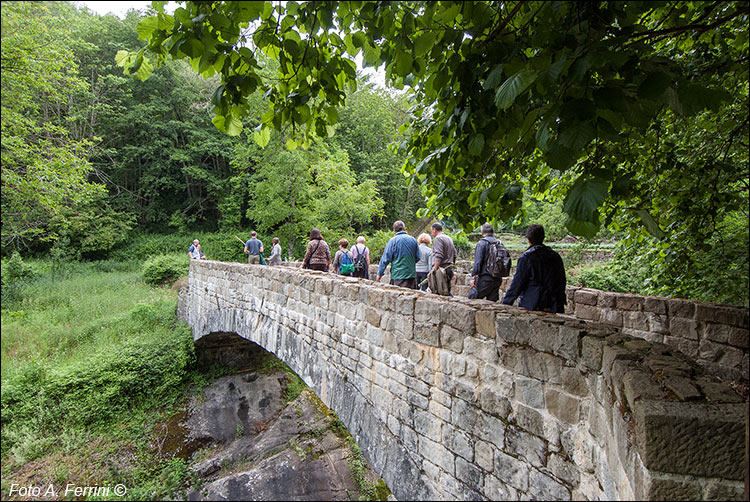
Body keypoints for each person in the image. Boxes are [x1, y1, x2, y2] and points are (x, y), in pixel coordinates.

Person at [502, 224, 567, 313]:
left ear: (528, 240)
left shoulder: (526, 258)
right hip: (554, 302)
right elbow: (562, 279)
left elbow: (518, 283)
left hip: (533, 303)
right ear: (543, 237)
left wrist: (506, 304)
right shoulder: (555, 256)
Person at [469, 223, 510, 301]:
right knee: (492, 304)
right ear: (493, 232)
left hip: (485, 278)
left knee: (472, 300)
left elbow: (478, 262)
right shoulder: (499, 243)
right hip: (497, 279)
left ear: (482, 232)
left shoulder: (482, 243)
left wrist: (473, 277)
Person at [377, 220, 421, 289]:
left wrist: (379, 274)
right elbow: (418, 257)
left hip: (397, 276)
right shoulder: (413, 240)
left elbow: (385, 259)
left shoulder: (392, 241)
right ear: (404, 228)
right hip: (411, 276)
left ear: (394, 230)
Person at [430, 222, 457, 296]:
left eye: (432, 231)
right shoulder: (449, 238)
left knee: (441, 292)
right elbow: (455, 254)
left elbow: (439, 255)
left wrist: (435, 268)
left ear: (434, 230)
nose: (432, 233)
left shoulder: (438, 238)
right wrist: (452, 266)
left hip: (441, 269)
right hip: (449, 268)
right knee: (447, 290)